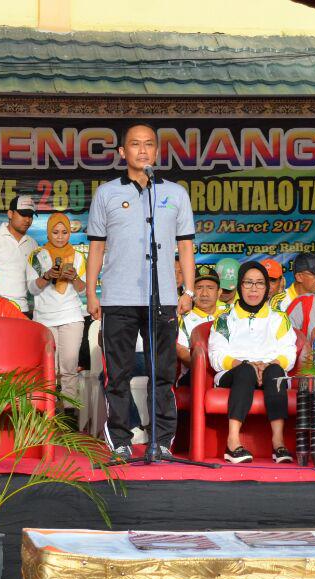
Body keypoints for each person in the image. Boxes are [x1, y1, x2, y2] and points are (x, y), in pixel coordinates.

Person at [85, 123, 196, 463]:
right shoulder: (106, 194)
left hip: (161, 298)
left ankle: (161, 440)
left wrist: (188, 289)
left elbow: (186, 246)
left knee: (162, 373)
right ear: (122, 152)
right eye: (135, 144)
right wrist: (92, 293)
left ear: (157, 151)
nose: (143, 149)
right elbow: (96, 248)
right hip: (118, 297)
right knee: (117, 374)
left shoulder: (175, 193)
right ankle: (119, 438)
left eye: (149, 144)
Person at [207, 260, 296, 464]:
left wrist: (269, 363)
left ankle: (278, 442)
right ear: (240, 286)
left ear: (267, 288)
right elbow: (216, 355)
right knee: (246, 371)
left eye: (259, 283)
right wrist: (243, 363)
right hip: (234, 372)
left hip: (269, 368)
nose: (253, 289)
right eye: (248, 283)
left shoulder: (279, 318)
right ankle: (233, 441)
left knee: (275, 372)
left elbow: (289, 352)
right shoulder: (224, 318)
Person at [30, 213, 87, 410]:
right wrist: (46, 276)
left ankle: (69, 416)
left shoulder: (78, 256)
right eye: (55, 232)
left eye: (64, 232)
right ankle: (48, 413)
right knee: (49, 370)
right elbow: (32, 289)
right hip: (44, 319)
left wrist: (73, 278)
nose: (60, 236)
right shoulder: (37, 255)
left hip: (71, 316)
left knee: (69, 369)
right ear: (48, 232)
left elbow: (83, 289)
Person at [0, 194, 39, 312]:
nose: (27, 220)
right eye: (23, 214)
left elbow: (35, 280)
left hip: (22, 309)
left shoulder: (32, 244)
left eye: (30, 216)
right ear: (10, 214)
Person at [175, 265, 223, 382]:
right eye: (199, 288)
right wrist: (204, 366)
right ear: (191, 292)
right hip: (193, 374)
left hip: (226, 371)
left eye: (210, 288)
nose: (204, 294)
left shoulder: (228, 316)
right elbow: (181, 351)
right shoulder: (183, 318)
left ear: (219, 292)